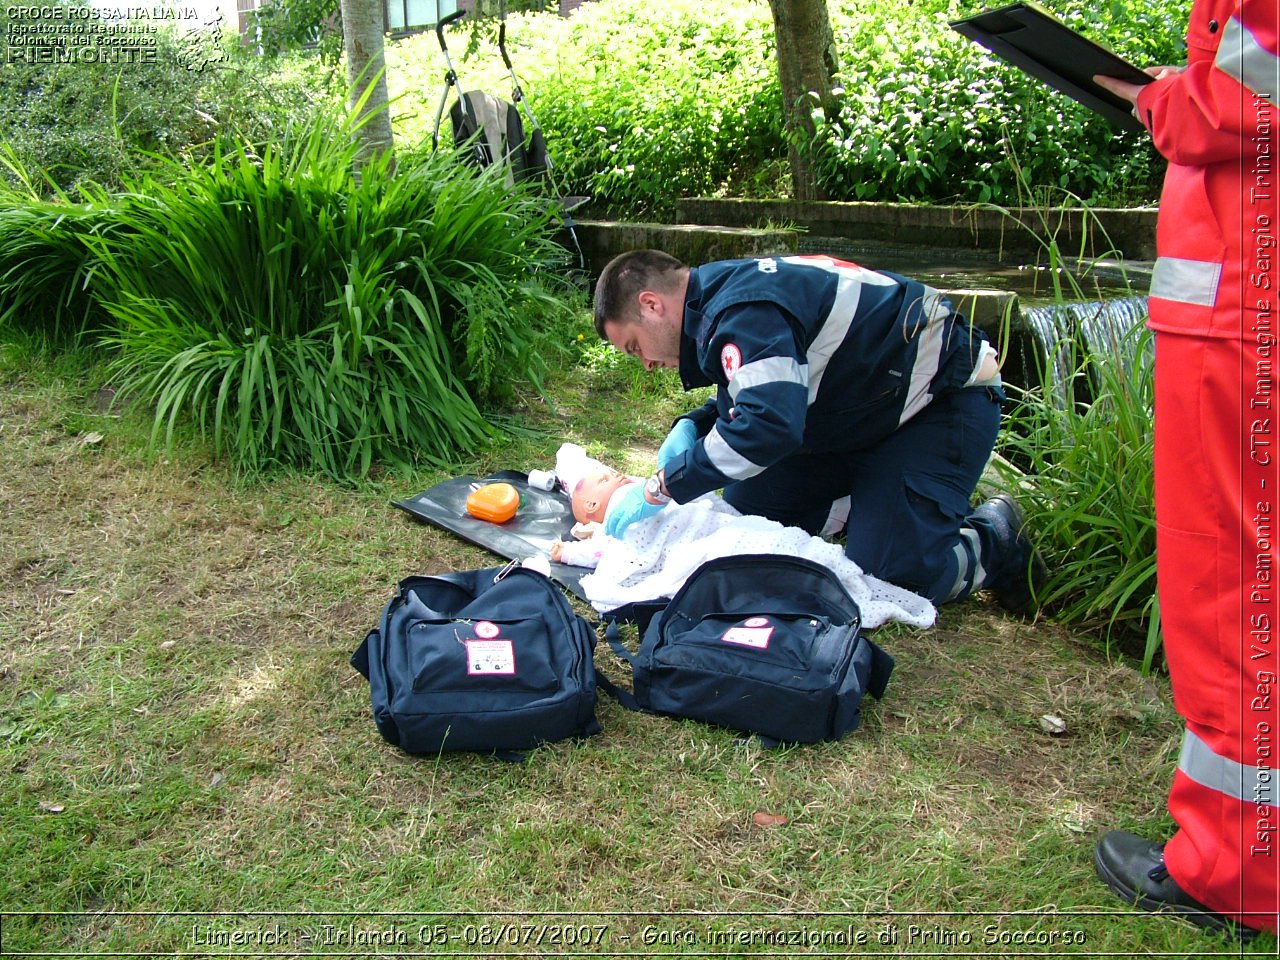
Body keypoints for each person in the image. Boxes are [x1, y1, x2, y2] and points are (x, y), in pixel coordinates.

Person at [1091, 0, 1279, 938]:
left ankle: (1237, 870)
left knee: (1225, 585)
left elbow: (1249, 104)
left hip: (1240, 308)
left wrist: (1162, 98)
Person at [591, 249, 1035, 610]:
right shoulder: (725, 301)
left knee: (890, 577)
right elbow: (767, 384)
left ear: (652, 304)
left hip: (940, 403)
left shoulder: (743, 310)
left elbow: (767, 425)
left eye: (635, 347)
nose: (646, 364)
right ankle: (879, 504)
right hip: (868, 409)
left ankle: (994, 538)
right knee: (751, 502)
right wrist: (694, 422)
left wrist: (664, 485)